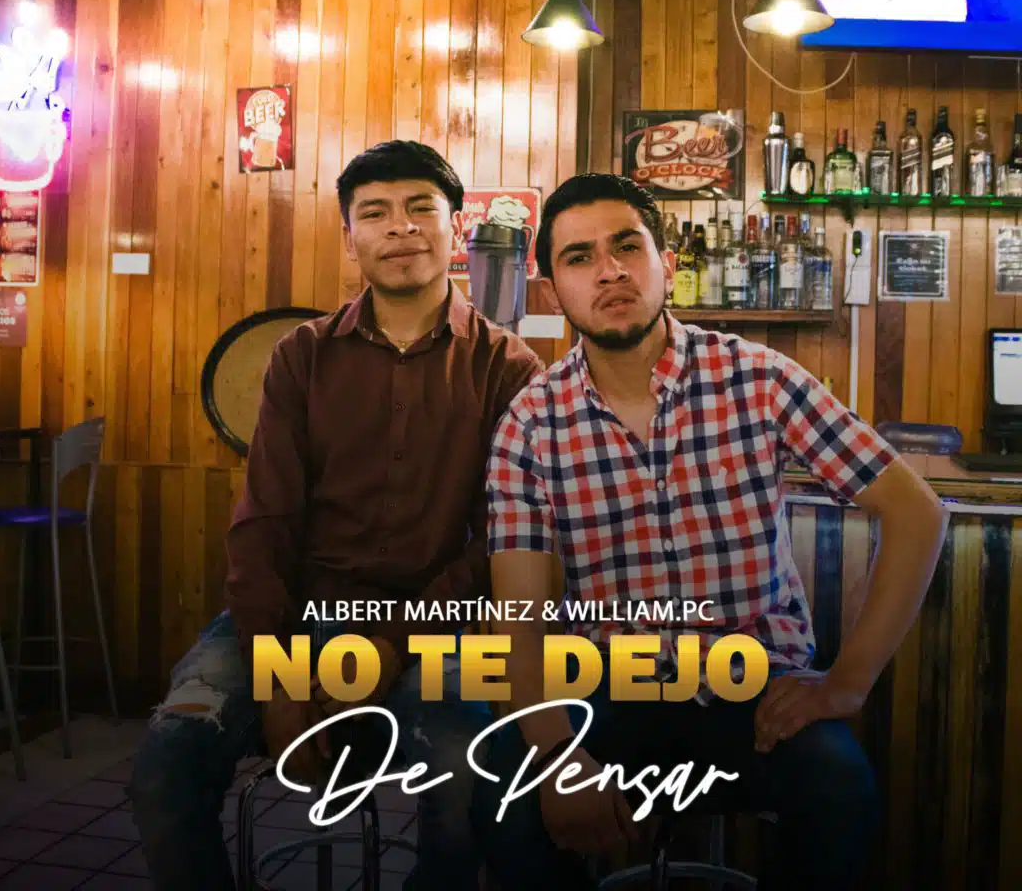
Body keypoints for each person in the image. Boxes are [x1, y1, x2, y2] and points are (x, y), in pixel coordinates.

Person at [471, 173, 948, 890]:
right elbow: (521, 616)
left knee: (840, 788)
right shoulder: (531, 423)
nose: (609, 271)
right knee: (504, 796)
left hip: (751, 685)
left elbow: (916, 513)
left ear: (666, 264)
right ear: (552, 290)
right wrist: (557, 757)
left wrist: (847, 683)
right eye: (579, 257)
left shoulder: (757, 379)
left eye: (627, 247)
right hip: (607, 685)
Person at [128, 140, 542, 891]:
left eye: (421, 208)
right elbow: (264, 522)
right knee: (167, 756)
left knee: (468, 768)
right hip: (296, 614)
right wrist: (277, 669)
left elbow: (498, 543)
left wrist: (391, 645)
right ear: (350, 236)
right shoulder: (302, 355)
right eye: (375, 213)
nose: (400, 228)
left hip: (435, 630)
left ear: (455, 226)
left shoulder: (508, 367)